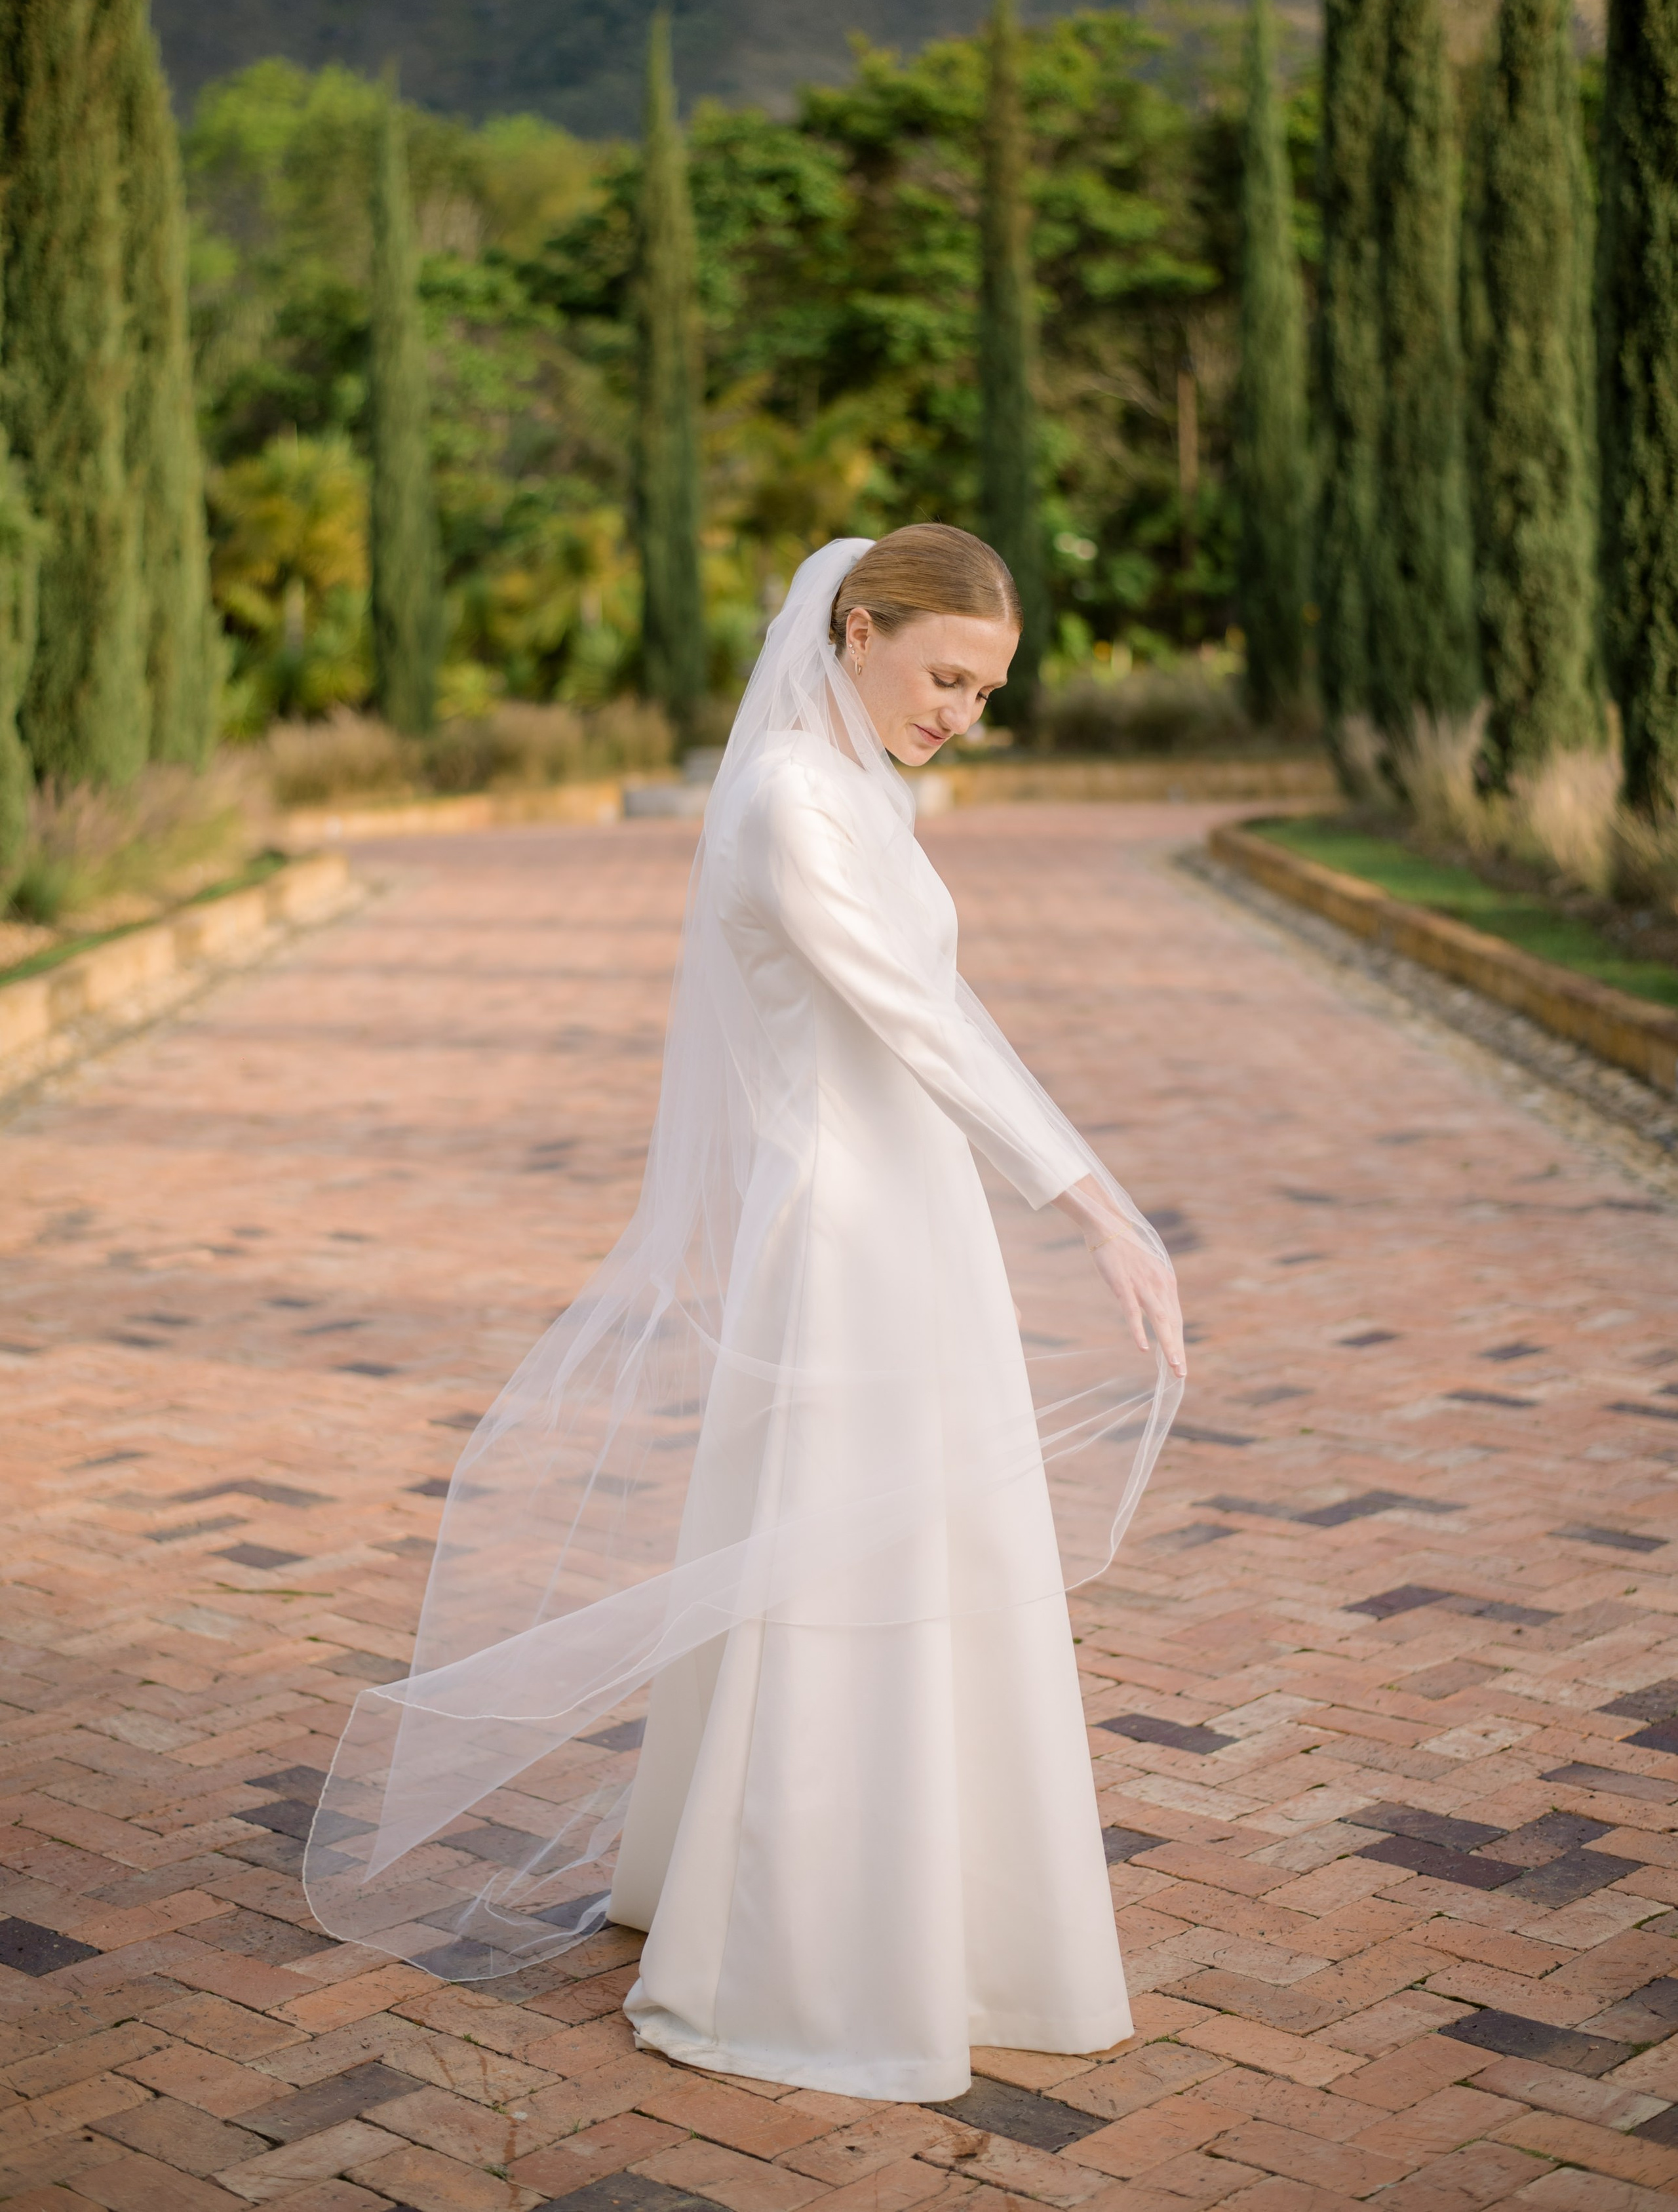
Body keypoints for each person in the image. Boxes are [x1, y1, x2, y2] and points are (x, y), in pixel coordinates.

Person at [305, 525, 1185, 2106]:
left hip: (918, 1217)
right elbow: (915, 1021)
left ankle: (942, 1913)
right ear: (856, 626)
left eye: (984, 692)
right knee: (842, 1556)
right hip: (846, 1235)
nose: (959, 712)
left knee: (914, 1551)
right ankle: (803, 1951)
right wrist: (1091, 1203)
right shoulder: (789, 795)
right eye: (942, 675)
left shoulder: (865, 789)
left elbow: (953, 1009)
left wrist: (1086, 1190)